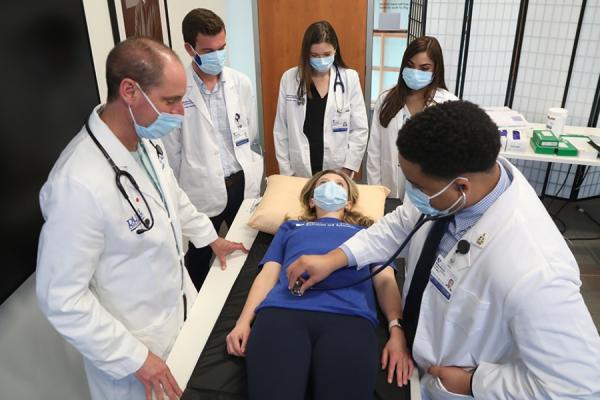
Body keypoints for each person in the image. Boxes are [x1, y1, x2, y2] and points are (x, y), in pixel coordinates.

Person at [287, 101, 600, 399]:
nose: (410, 193)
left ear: (462, 186)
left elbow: (580, 385)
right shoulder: (451, 190)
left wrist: (475, 383)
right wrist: (334, 258)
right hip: (415, 351)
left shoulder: (536, 271)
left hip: (458, 386)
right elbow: (398, 225)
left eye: (417, 186)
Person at [36, 37, 247, 400]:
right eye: (170, 100)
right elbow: (61, 298)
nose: (180, 112)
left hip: (179, 318)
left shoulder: (144, 142)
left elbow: (171, 199)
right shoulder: (77, 183)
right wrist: (135, 358)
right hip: (136, 357)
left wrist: (209, 237)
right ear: (130, 91)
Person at [225, 170, 413, 400]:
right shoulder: (290, 228)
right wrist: (243, 322)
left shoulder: (370, 233)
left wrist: (397, 330)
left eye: (339, 184)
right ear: (312, 199)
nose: (331, 186)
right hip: (282, 314)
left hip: (350, 318)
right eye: (323, 183)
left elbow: (385, 280)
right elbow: (268, 274)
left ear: (350, 202)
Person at [162, 8, 263, 290]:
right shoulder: (176, 91)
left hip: (240, 182)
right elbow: (171, 155)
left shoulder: (240, 83)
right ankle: (198, 319)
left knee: (247, 251)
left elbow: (249, 130)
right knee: (199, 258)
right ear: (189, 48)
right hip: (201, 190)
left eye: (222, 48)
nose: (217, 56)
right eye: (208, 50)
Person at [273, 20, 368, 178]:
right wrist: (287, 172)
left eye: (326, 54)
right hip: (299, 171)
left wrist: (347, 169)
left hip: (338, 172)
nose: (321, 60)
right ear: (306, 53)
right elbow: (281, 130)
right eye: (314, 55)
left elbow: (360, 129)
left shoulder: (349, 78)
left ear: (335, 50)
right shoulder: (290, 78)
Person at [367, 36, 457, 199]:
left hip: (428, 194)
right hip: (389, 191)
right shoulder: (386, 100)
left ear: (435, 70)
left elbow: (452, 157)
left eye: (424, 68)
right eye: (410, 66)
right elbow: (374, 151)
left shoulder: (448, 104)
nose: (416, 73)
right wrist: (376, 193)